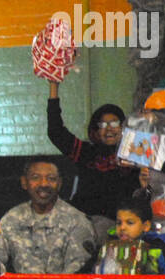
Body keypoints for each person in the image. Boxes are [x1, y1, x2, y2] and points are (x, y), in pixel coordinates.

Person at [45, 84, 140, 242]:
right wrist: (54, 87)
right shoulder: (86, 152)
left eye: (115, 123)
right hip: (84, 219)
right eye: (102, 125)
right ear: (95, 131)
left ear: (124, 128)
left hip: (120, 225)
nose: (108, 129)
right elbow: (56, 132)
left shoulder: (134, 156)